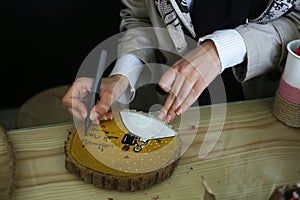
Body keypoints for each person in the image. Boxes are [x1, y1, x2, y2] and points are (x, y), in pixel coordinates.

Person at [62, 0, 300, 124]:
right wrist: (122, 76)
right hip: (175, 114)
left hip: (269, 109)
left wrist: (220, 50)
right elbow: (141, 18)